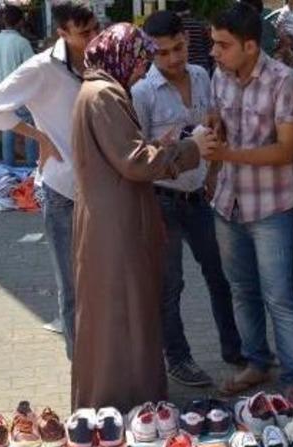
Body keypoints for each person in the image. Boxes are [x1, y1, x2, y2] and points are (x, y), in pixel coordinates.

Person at [70, 22, 215, 411]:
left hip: (110, 220)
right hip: (115, 226)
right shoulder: (104, 95)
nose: (140, 70)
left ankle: (118, 405)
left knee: (120, 312)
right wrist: (190, 148)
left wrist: (157, 146)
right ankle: (126, 407)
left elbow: (123, 154)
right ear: (120, 56)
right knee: (123, 314)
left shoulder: (99, 91)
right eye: (139, 60)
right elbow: (134, 163)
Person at [0, 1, 100, 358]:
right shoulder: (41, 68)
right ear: (62, 32)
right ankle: (82, 368)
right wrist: (39, 136)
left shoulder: (100, 62)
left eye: (95, 28)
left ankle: (104, 361)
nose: (93, 38)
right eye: (84, 33)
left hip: (102, 190)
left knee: (104, 282)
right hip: (62, 187)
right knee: (72, 286)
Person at [131, 10, 244, 388]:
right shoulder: (142, 93)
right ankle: (178, 358)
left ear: (186, 41)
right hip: (162, 201)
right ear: (150, 53)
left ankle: (235, 349)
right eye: (163, 53)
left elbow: (213, 127)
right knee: (170, 285)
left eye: (178, 48)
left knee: (220, 275)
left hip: (199, 198)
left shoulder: (200, 75)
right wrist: (164, 146)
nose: (174, 59)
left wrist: (213, 176)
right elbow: (138, 156)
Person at [206, 2, 293, 394]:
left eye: (223, 44)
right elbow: (217, 119)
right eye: (214, 43)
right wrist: (214, 130)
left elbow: (286, 151)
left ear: (250, 46)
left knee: (280, 295)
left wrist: (226, 155)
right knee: (242, 290)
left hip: (271, 208)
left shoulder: (284, 81)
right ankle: (257, 363)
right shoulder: (221, 74)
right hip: (227, 204)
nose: (214, 51)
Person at [0, 5, 38, 166]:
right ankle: (31, 167)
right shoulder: (22, 42)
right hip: (22, 93)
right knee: (29, 130)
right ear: (21, 21)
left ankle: (8, 167)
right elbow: (33, 67)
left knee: (8, 128)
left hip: (3, 92)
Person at [171, 0, 213, 73]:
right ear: (189, 11)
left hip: (184, 67)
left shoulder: (174, 28)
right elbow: (208, 47)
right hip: (202, 65)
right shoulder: (200, 26)